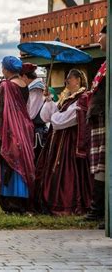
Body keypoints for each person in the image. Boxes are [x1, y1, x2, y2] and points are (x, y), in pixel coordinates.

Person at [36, 69, 91, 215]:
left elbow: (66, 120)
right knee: (56, 169)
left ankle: (69, 203)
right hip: (59, 141)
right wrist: (48, 100)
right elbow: (46, 117)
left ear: (78, 79)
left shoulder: (82, 97)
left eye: (69, 78)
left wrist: (55, 116)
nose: (66, 81)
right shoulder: (67, 97)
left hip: (71, 142)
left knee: (69, 171)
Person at [0, 56, 35, 214]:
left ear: (6, 69)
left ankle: (10, 203)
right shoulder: (25, 86)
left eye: (2, 67)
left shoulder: (5, 86)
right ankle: (22, 201)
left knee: (8, 162)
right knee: (23, 163)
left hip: (9, 130)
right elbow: (27, 109)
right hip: (25, 129)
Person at [84, 25, 107, 228]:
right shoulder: (105, 65)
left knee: (105, 166)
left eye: (101, 35)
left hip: (105, 120)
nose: (98, 39)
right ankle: (98, 210)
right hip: (99, 120)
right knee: (101, 166)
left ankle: (101, 211)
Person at [20, 63, 47, 163]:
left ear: (24, 76)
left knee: (36, 162)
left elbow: (31, 113)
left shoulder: (35, 89)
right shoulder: (33, 88)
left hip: (36, 131)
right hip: (33, 129)